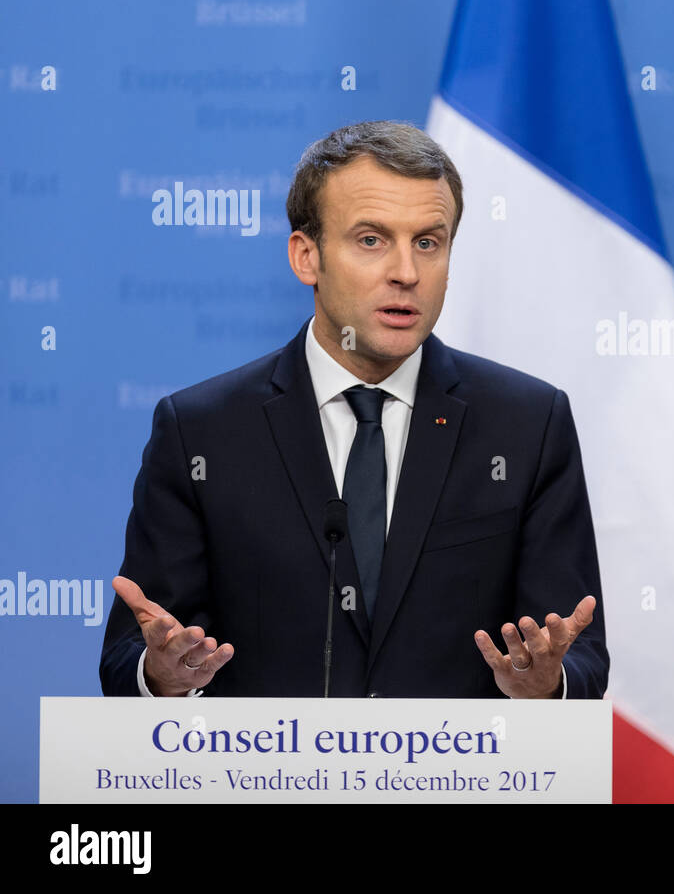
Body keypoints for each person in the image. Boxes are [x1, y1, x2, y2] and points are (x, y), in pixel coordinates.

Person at [99, 121, 608, 700]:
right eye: (371, 240)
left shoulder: (527, 425)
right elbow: (128, 657)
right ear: (306, 256)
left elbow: (580, 652)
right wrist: (163, 675)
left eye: (428, 242)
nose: (406, 273)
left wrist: (547, 683)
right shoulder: (201, 433)